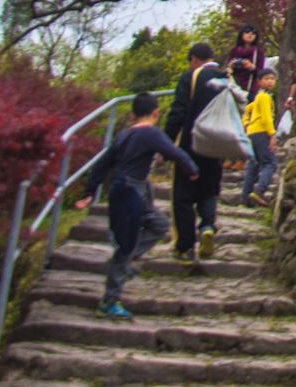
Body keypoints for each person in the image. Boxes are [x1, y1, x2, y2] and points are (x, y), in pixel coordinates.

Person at [74, 92, 197, 320]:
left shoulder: (123, 135)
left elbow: (102, 164)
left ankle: (123, 263)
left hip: (132, 189)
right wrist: (192, 169)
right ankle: (109, 300)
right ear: (156, 113)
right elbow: (174, 151)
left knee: (160, 225)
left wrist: (90, 191)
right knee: (126, 245)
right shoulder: (150, 133)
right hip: (130, 192)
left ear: (132, 115)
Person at [164, 42, 232, 265]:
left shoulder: (191, 77)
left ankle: (184, 247)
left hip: (190, 144)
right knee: (209, 191)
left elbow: (178, 112)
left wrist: (166, 142)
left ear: (193, 59)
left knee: (183, 196)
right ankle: (207, 226)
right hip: (216, 144)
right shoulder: (225, 79)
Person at [240, 68, 279, 207]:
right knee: (270, 164)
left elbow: (248, 109)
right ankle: (259, 191)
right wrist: (272, 134)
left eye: (272, 79)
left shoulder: (258, 97)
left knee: (253, 165)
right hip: (262, 132)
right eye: (266, 79)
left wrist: (246, 124)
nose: (270, 81)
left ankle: (245, 198)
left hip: (252, 133)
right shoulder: (265, 97)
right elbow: (266, 118)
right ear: (259, 82)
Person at [227, 24, 266, 95]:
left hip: (251, 88)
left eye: (254, 33)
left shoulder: (258, 51)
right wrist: (231, 66)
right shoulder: (234, 50)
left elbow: (261, 72)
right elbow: (228, 70)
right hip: (235, 86)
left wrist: (251, 67)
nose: (250, 34)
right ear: (241, 34)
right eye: (247, 31)